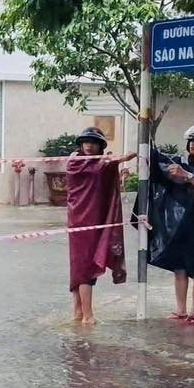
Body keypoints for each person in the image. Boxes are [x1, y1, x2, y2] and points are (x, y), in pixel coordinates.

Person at [142, 123, 194, 324]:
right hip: (178, 227)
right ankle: (180, 310)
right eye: (190, 140)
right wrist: (145, 131)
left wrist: (187, 176)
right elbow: (159, 163)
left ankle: (193, 313)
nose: (192, 145)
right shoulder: (179, 162)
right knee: (179, 268)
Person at [66, 127, 137, 324]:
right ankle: (87, 316)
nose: (88, 146)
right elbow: (96, 168)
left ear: (99, 146)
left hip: (93, 221)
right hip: (80, 223)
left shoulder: (100, 164)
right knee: (83, 268)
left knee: (81, 266)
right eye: (85, 142)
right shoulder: (75, 162)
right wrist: (119, 159)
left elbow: (103, 170)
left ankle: (79, 313)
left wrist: (116, 161)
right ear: (80, 144)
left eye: (93, 142)